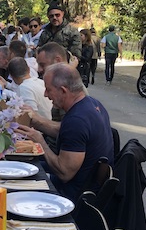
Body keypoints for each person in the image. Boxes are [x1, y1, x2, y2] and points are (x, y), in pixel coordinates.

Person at [16, 63, 114, 201]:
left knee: (18, 181)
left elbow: (64, 172)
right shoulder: (92, 104)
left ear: (63, 90)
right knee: (27, 165)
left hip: (72, 195)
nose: (45, 94)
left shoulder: (77, 121)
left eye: (48, 90)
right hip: (89, 186)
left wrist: (40, 142)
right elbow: (67, 133)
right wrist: (37, 122)